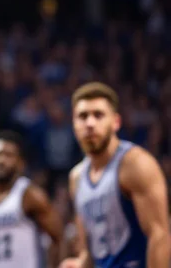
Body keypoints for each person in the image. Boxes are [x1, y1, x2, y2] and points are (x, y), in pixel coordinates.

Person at [60, 82, 170, 268]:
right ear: (74, 124)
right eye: (83, 116)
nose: (90, 123)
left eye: (98, 115)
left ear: (116, 122)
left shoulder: (135, 164)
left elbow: (159, 235)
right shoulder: (76, 177)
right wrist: (80, 263)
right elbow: (89, 250)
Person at [0, 132, 64, 268]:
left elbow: (59, 238)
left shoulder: (30, 195)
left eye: (8, 155)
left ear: (21, 163)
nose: (1, 160)